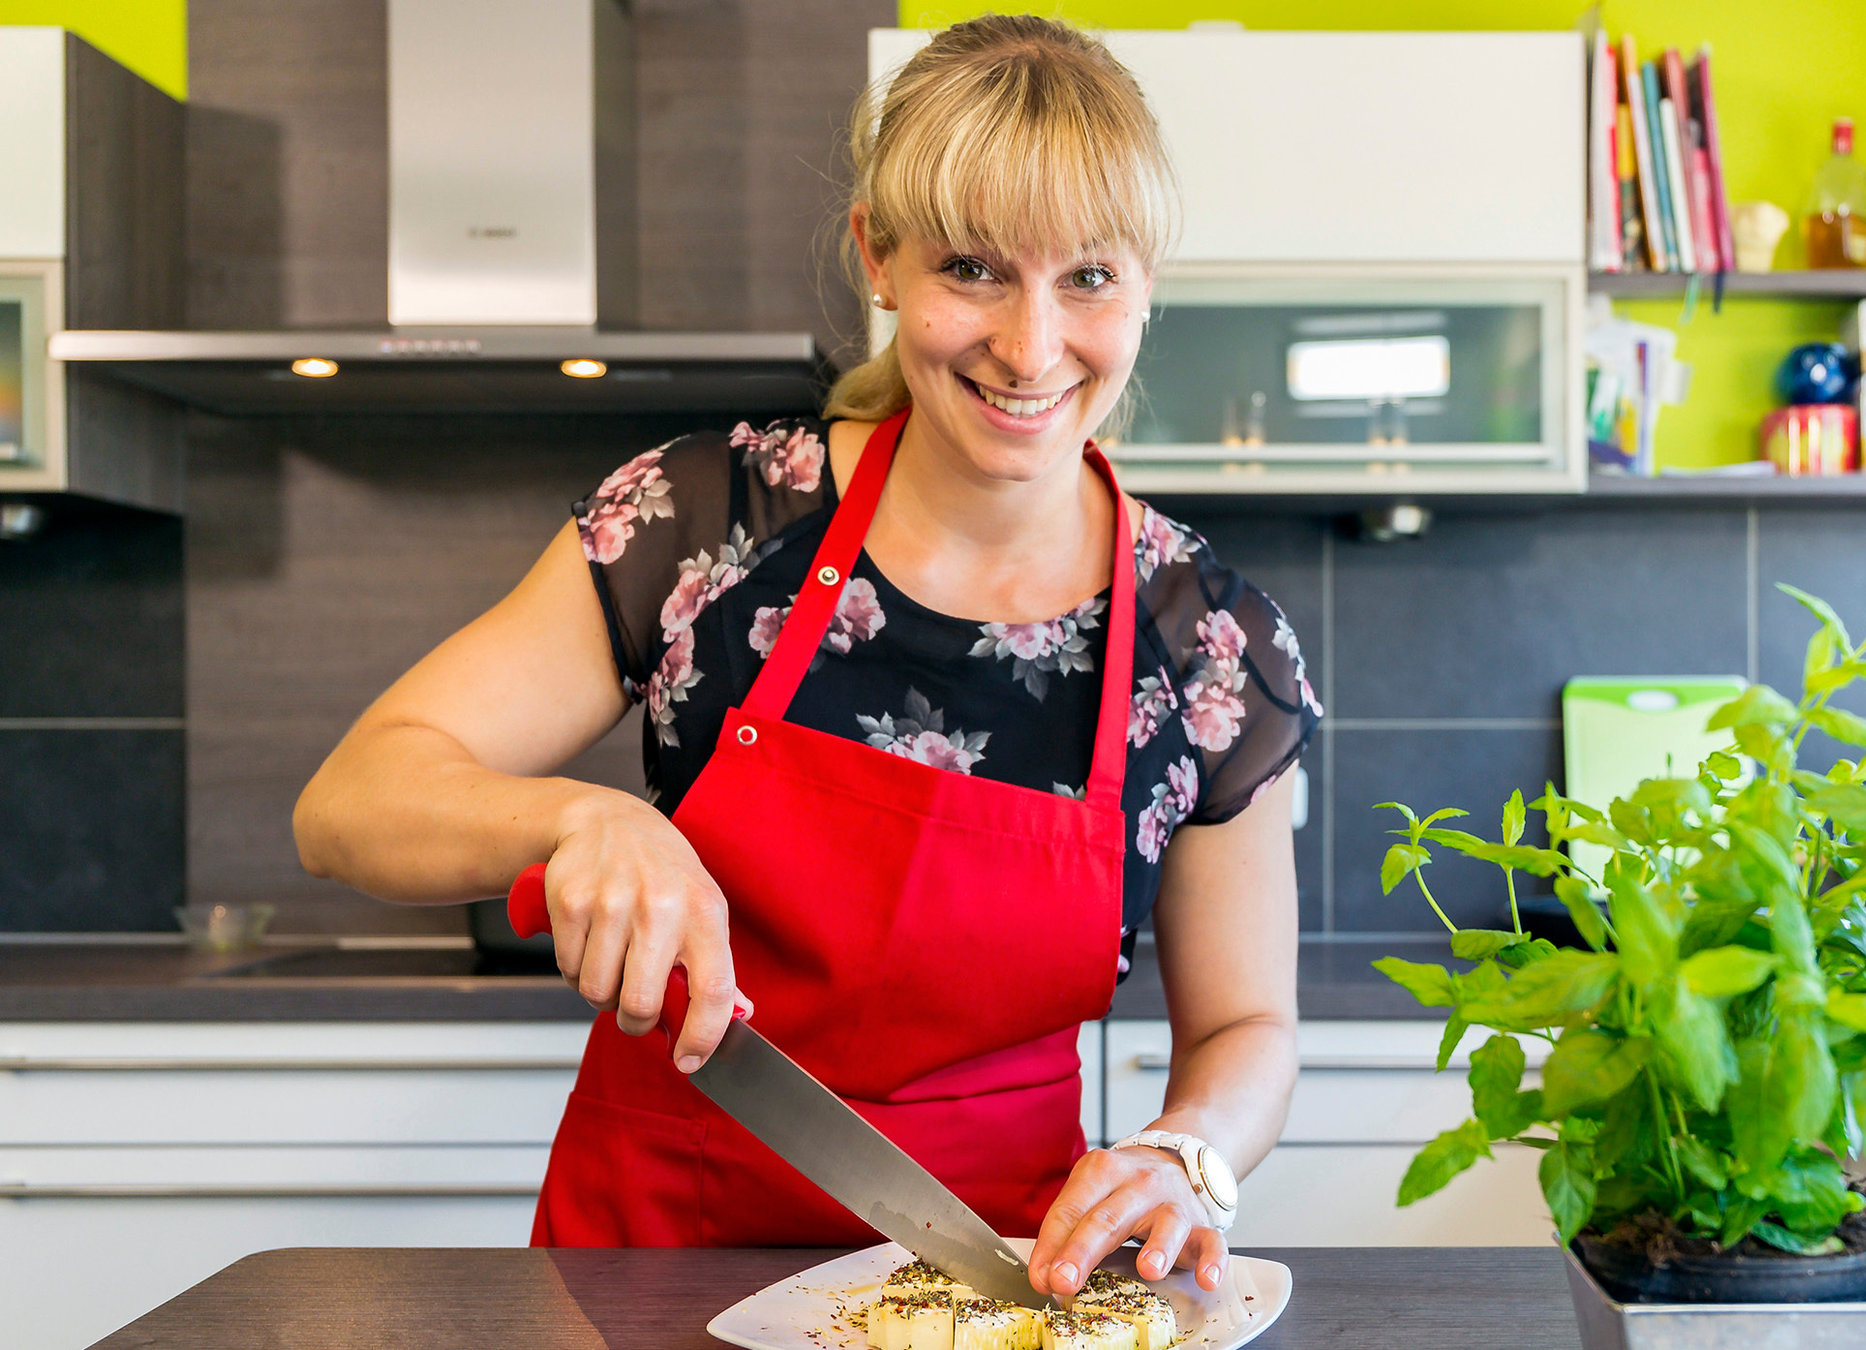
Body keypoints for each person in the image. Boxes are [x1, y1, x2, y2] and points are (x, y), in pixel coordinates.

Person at [293, 15, 1315, 1297]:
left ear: (1147, 283)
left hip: (995, 1284)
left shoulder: (1209, 647)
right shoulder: (703, 528)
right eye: (975, 269)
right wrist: (577, 821)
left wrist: (1188, 1153)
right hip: (650, 1271)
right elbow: (348, 804)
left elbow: (1246, 1028)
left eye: (1089, 278)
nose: (1033, 344)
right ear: (878, 261)